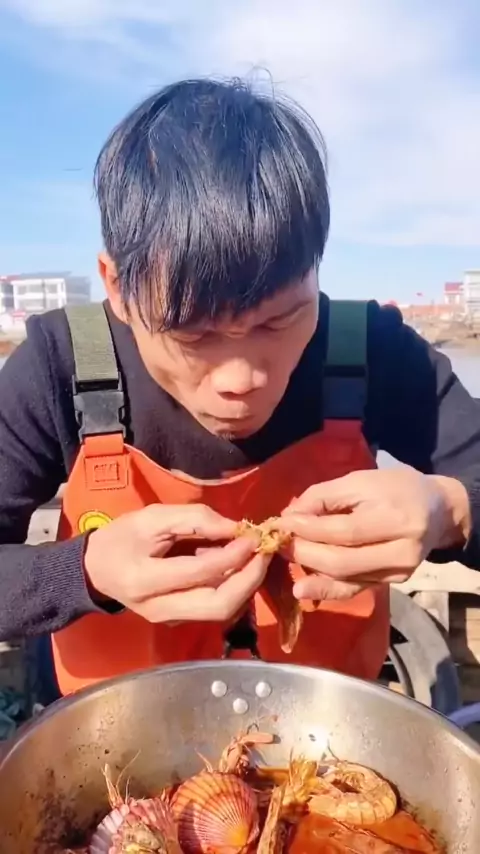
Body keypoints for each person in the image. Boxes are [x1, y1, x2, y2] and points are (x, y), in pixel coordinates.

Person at [0, 77, 479, 700]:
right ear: (116, 287)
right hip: (113, 736)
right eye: (193, 334)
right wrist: (86, 570)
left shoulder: (371, 350)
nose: (242, 381)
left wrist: (450, 511)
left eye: (279, 321)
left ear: (316, 269)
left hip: (323, 731)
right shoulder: (60, 364)